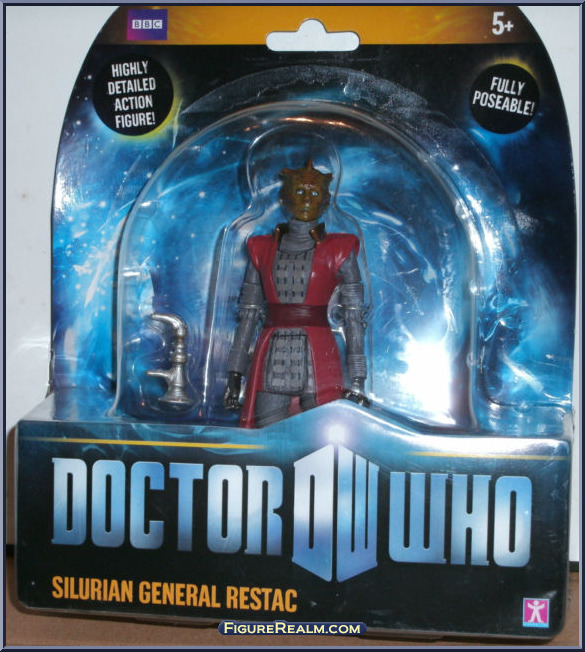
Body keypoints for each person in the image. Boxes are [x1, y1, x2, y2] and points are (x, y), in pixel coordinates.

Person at [224, 159, 367, 428]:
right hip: (272, 349)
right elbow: (249, 314)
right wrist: (235, 372)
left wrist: (358, 379)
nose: (306, 198)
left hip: (319, 352)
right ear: (284, 197)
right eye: (299, 191)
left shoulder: (340, 249)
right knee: (266, 429)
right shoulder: (261, 248)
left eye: (314, 192)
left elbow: (354, 317)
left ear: (325, 201)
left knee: (323, 431)